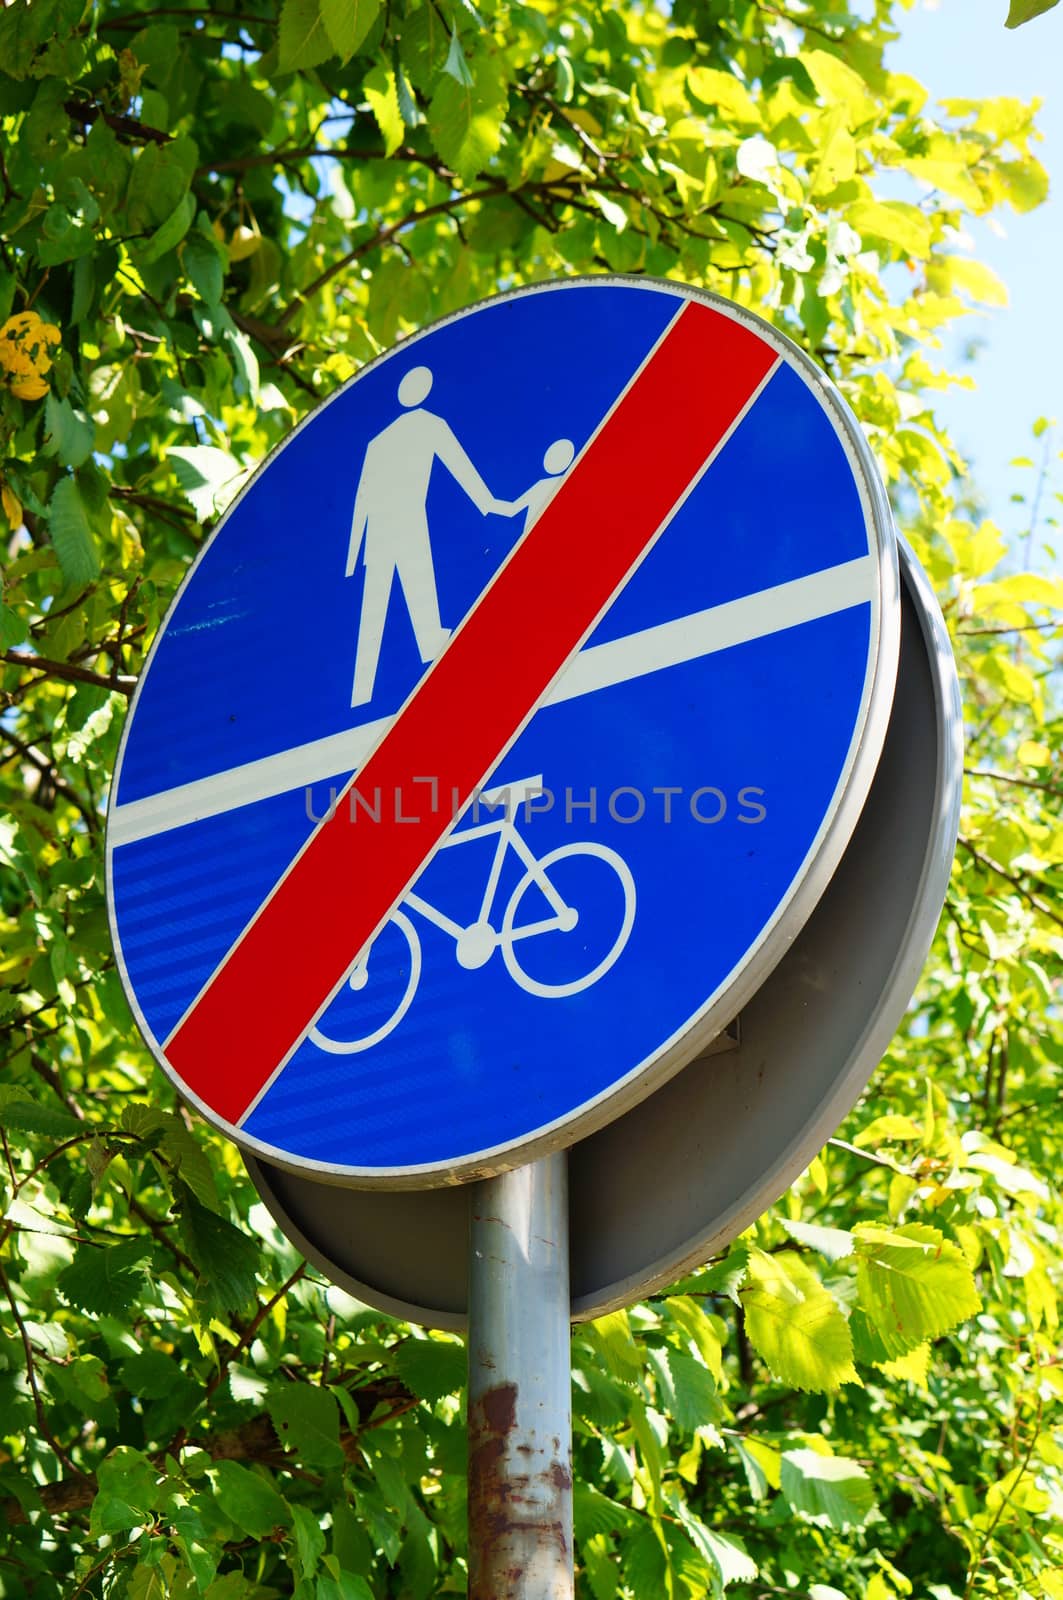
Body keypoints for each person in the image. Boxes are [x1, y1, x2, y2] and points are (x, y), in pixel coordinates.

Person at [346, 366, 513, 708]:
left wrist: (352, 559)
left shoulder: (378, 441)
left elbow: (360, 503)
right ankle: (438, 677)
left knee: (374, 611)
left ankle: (361, 691)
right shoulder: (430, 424)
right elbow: (461, 468)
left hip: (378, 532)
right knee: (421, 598)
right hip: (407, 521)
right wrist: (490, 505)